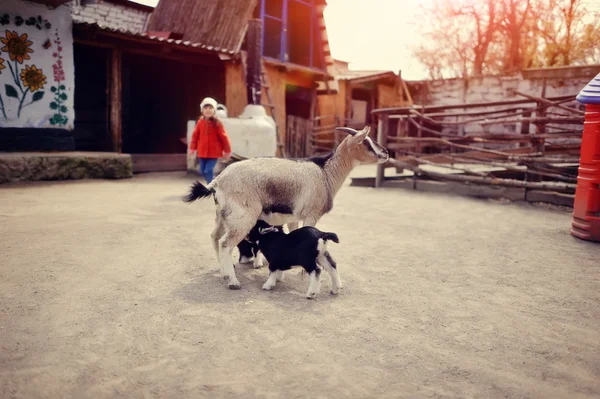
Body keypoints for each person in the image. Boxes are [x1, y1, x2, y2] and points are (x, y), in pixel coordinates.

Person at [189, 97, 232, 184]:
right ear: (202, 110)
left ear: (214, 110)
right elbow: (195, 136)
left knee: (207, 170)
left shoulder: (217, 123)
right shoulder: (200, 122)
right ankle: (215, 183)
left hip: (214, 153)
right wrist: (192, 149)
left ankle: (212, 186)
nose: (208, 110)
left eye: (210, 108)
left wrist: (227, 151)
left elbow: (224, 137)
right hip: (202, 152)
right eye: (205, 108)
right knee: (202, 170)